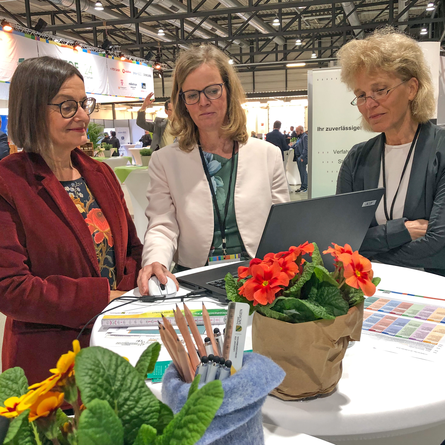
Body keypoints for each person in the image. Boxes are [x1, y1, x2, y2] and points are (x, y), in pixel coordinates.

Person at [0, 56, 142, 384]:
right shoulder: (9, 182)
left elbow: (132, 248)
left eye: (83, 103)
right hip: (51, 361)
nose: (82, 115)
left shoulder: (100, 172)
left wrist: (132, 289)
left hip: (117, 341)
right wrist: (102, 298)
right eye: (67, 106)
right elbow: (10, 288)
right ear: (33, 109)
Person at [137, 45, 289, 294]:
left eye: (212, 90)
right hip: (193, 276)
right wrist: (156, 261)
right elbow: (162, 224)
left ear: (228, 91)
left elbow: (281, 225)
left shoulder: (267, 154)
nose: (203, 102)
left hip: (260, 276)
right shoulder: (165, 161)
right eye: (192, 95)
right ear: (183, 102)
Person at [336, 27, 445, 276]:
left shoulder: (440, 150)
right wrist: (400, 231)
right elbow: (342, 241)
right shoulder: (357, 158)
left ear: (412, 88)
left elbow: (440, 245)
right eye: (361, 95)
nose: (369, 104)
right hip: (367, 288)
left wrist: (368, 250)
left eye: (380, 90)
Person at [293, 126, 308, 192]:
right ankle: (303, 185)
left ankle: (304, 187)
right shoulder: (300, 138)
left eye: (297, 131)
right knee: (302, 172)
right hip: (298, 157)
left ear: (301, 130)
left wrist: (302, 157)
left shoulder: (305, 137)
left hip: (302, 158)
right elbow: (296, 145)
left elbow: (306, 148)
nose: (296, 133)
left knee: (303, 172)